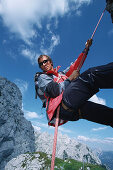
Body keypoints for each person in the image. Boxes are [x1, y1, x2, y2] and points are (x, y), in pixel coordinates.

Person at [35, 39, 113, 127]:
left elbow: (76, 65)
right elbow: (55, 91)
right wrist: (71, 77)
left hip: (69, 108)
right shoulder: (42, 77)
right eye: (41, 64)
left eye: (45, 61)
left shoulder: (61, 75)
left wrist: (86, 48)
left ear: (51, 62)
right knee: (91, 75)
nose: (44, 64)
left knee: (101, 112)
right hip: (61, 106)